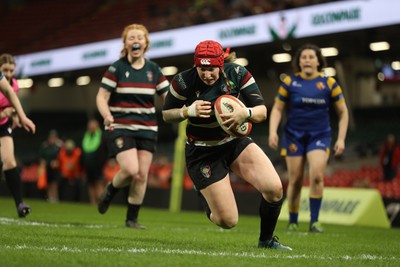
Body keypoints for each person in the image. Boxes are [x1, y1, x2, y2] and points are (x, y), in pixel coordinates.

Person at [162, 40, 292, 250]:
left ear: (220, 65)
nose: (207, 74)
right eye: (202, 69)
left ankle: (266, 241)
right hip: (202, 151)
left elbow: (262, 111)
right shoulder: (183, 81)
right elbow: (167, 115)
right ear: (196, 66)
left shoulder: (237, 73)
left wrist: (245, 113)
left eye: (211, 69)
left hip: (234, 143)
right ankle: (204, 192)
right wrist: (187, 112)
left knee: (274, 189)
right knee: (227, 221)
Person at [268, 43, 349, 233]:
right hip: (293, 136)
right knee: (295, 180)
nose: (307, 60)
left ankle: (314, 221)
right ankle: (293, 221)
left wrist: (341, 139)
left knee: (317, 176)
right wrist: (273, 131)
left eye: (311, 57)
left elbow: (343, 112)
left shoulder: (329, 84)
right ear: (299, 62)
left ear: (318, 61)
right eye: (303, 57)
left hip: (319, 136)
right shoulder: (289, 82)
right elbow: (277, 108)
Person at [96, 23, 170, 229]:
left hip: (147, 128)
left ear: (146, 43)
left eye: (140, 37)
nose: (136, 41)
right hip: (121, 125)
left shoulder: (154, 69)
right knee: (130, 169)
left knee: (142, 175)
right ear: (125, 43)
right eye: (131, 38)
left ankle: (131, 219)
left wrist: (183, 108)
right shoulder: (117, 68)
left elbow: (169, 97)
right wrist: (107, 114)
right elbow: (102, 96)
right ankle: (110, 190)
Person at [0, 53, 36, 217]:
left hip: (3, 126)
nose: (8, 74)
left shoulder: (13, 84)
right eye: (5, 70)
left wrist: (17, 117)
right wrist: (3, 114)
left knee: (9, 161)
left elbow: (11, 98)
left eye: (10, 70)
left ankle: (19, 203)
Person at [81, 118, 107, 204]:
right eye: (89, 126)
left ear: (97, 126)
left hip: (99, 165)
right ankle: (92, 202)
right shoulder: (86, 136)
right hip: (88, 165)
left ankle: (101, 202)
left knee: (98, 183)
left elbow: (105, 151)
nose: (91, 127)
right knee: (90, 184)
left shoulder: (102, 136)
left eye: (93, 126)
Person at [38, 129, 63, 202]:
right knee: (48, 183)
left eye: (54, 137)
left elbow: (62, 157)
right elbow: (41, 157)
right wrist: (42, 165)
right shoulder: (44, 146)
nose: (52, 139)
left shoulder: (59, 145)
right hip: (47, 167)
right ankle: (50, 198)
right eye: (51, 137)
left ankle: (55, 197)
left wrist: (57, 162)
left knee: (54, 183)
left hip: (55, 168)